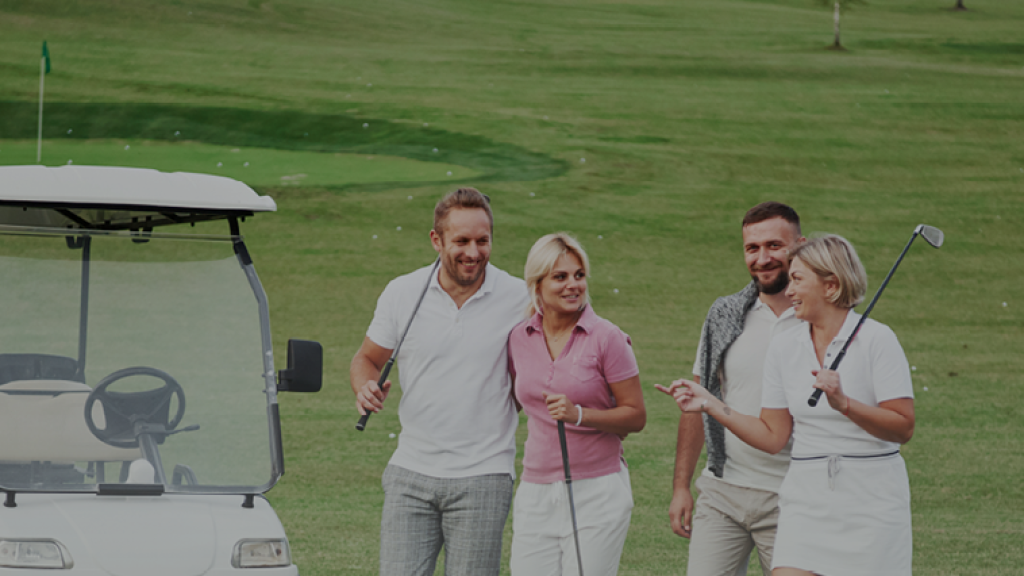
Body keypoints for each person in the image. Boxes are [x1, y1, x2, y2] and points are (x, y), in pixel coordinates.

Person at [666, 235, 915, 576]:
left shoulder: (878, 339)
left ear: (831, 286)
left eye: (797, 280)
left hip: (871, 501)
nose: (790, 290)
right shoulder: (785, 345)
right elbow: (772, 437)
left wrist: (845, 404)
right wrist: (711, 404)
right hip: (805, 499)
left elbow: (903, 427)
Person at [350, 187, 530, 576]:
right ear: (437, 240)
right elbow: (366, 359)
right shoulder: (402, 292)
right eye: (461, 241)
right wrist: (364, 387)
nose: (474, 252)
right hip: (410, 473)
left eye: (483, 241)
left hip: (485, 474)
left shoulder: (520, 297)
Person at [655, 201, 805, 576]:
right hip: (723, 492)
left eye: (774, 246)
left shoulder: (819, 318)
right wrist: (681, 487)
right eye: (752, 248)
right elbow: (699, 400)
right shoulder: (724, 314)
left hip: (794, 497)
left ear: (800, 246)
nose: (762, 258)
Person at [507, 233, 646, 576]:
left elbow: (635, 416)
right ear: (537, 284)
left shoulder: (607, 337)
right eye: (560, 277)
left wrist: (579, 415)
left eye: (579, 275)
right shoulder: (519, 337)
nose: (573, 285)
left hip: (597, 491)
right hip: (535, 489)